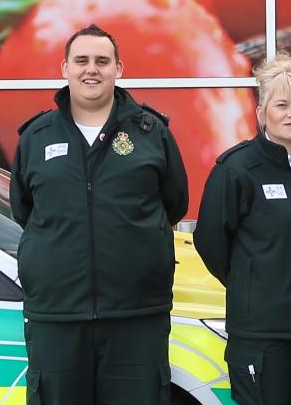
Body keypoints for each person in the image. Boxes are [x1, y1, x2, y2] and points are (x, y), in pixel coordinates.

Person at [10, 25, 190, 405]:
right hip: (58, 316)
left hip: (136, 315)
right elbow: (23, 208)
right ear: (65, 68)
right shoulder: (37, 136)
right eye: (81, 60)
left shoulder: (151, 133)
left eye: (102, 61)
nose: (91, 69)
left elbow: (174, 203)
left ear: (118, 69)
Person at [195, 58, 291, 405]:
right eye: (282, 105)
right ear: (262, 113)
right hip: (262, 334)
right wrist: (253, 284)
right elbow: (211, 242)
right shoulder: (237, 168)